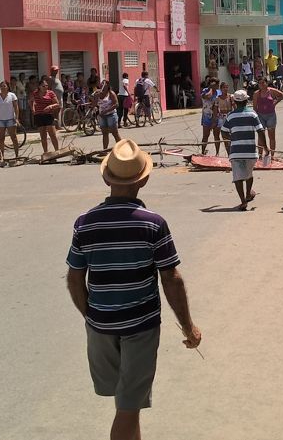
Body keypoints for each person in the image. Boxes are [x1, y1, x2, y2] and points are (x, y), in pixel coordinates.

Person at [66, 139, 202, 440]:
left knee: (128, 401)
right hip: (140, 326)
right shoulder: (153, 224)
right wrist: (188, 326)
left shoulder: (84, 224)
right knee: (128, 406)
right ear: (145, 179)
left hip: (100, 327)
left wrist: (92, 315)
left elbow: (74, 277)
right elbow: (171, 279)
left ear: (106, 178)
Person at [221, 89, 266, 210]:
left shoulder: (231, 116)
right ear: (246, 101)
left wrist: (233, 139)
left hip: (236, 152)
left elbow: (223, 132)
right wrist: (265, 147)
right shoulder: (252, 114)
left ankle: (243, 201)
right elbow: (260, 131)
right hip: (250, 152)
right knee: (249, 174)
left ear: (234, 102)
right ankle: (248, 194)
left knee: (238, 177)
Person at [0, 81, 22, 167]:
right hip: (0, 120)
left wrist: (17, 118)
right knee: (1, 139)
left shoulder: (12, 95)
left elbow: (16, 107)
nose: (2, 88)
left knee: (13, 137)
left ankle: (17, 155)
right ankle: (2, 157)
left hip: (10, 119)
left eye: (4, 86)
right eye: (1, 86)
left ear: (7, 87)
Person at [252, 77, 283, 161]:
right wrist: (254, 118)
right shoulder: (256, 93)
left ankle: (272, 155)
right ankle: (260, 155)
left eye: (263, 83)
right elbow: (254, 107)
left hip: (271, 115)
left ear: (266, 83)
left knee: (271, 136)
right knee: (261, 136)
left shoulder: (271, 91)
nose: (262, 85)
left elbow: (282, 95)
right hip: (260, 116)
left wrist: (275, 103)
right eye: (260, 83)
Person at [31, 80, 61, 157]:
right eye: (43, 86)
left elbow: (57, 104)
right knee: (43, 135)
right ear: (39, 87)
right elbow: (31, 101)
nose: (45, 87)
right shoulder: (35, 93)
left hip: (48, 115)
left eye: (46, 85)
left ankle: (57, 151)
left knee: (52, 134)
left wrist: (50, 106)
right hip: (39, 115)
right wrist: (33, 109)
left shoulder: (50, 93)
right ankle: (46, 152)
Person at [95, 81, 122, 151]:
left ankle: (122, 149)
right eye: (101, 84)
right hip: (102, 116)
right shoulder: (98, 93)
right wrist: (95, 97)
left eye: (104, 85)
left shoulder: (111, 93)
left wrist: (106, 111)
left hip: (111, 115)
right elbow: (94, 104)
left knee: (114, 133)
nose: (102, 86)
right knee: (104, 133)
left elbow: (116, 104)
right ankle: (105, 150)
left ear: (107, 86)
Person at [198, 78, 219, 155]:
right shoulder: (205, 91)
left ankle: (217, 153)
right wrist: (211, 89)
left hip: (216, 116)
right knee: (205, 136)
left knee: (216, 136)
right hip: (206, 116)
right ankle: (203, 152)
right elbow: (207, 97)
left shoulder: (218, 93)